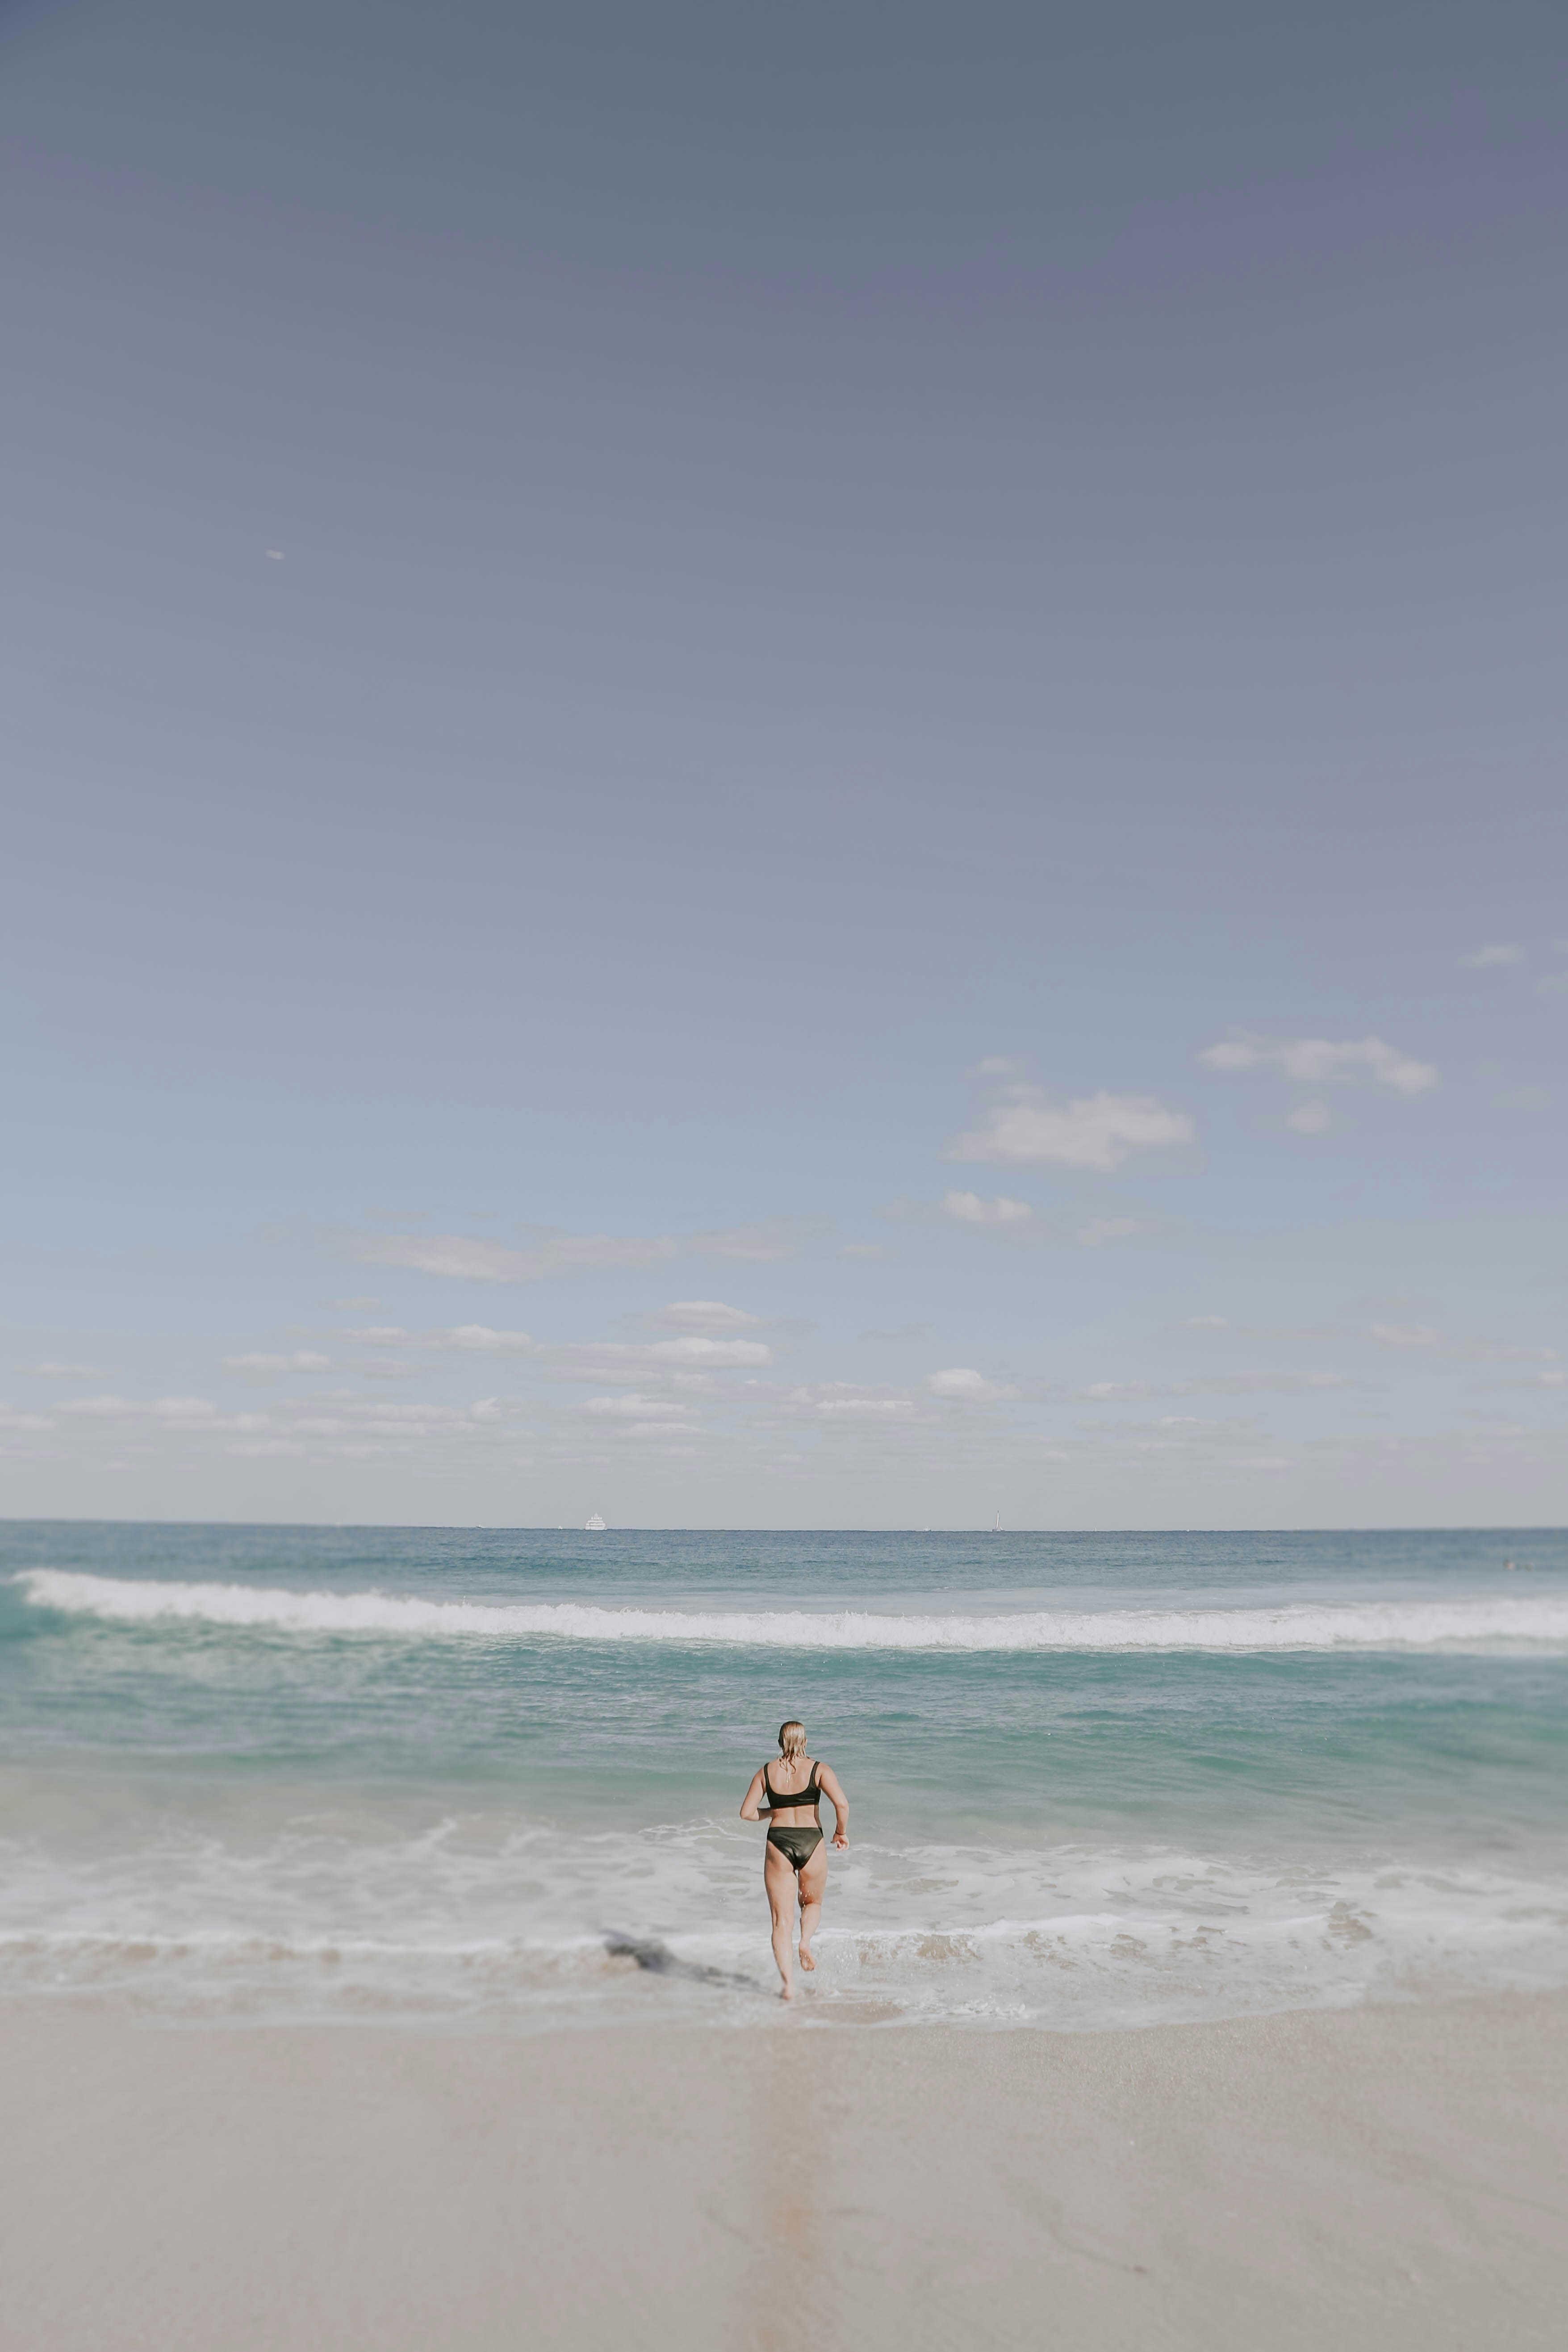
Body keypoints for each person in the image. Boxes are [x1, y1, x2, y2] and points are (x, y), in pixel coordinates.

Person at [739, 1720, 849, 1999]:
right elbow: (842, 1805)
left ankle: (788, 1986)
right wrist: (840, 1832)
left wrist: (771, 1813)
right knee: (812, 1902)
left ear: (779, 1742)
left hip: (779, 1843)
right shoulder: (819, 1769)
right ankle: (805, 1943)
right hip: (812, 1841)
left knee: (780, 1922)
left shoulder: (766, 1772)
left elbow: (746, 1813)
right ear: (806, 1741)